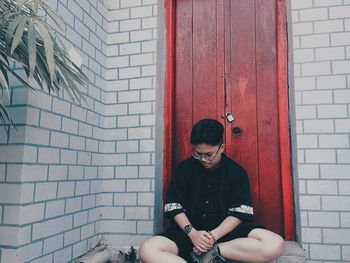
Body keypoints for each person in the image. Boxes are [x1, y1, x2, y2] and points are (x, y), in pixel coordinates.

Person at [139, 119, 284, 263]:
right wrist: (193, 234)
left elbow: (238, 214)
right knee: (148, 249)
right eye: (198, 154)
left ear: (221, 148)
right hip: (188, 235)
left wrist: (212, 238)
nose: (203, 159)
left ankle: (212, 254)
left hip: (225, 237)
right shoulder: (184, 169)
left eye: (208, 155)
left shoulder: (236, 172)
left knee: (275, 244)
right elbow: (174, 206)